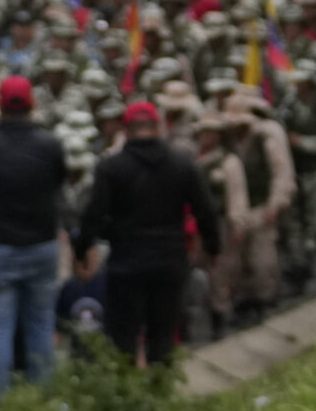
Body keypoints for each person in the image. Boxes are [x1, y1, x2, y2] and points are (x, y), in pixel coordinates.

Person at [76, 101, 223, 368]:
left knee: (123, 338)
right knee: (163, 335)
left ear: (126, 129)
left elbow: (93, 216)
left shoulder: (111, 167)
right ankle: (160, 393)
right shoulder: (182, 164)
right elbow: (206, 210)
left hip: (126, 263)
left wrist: (82, 251)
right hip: (169, 261)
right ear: (158, 127)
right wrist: (213, 249)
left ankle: (128, 398)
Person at [0, 73, 66, 408]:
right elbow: (59, 180)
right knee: (40, 327)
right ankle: (44, 400)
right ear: (32, 105)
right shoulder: (49, 145)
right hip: (41, 248)